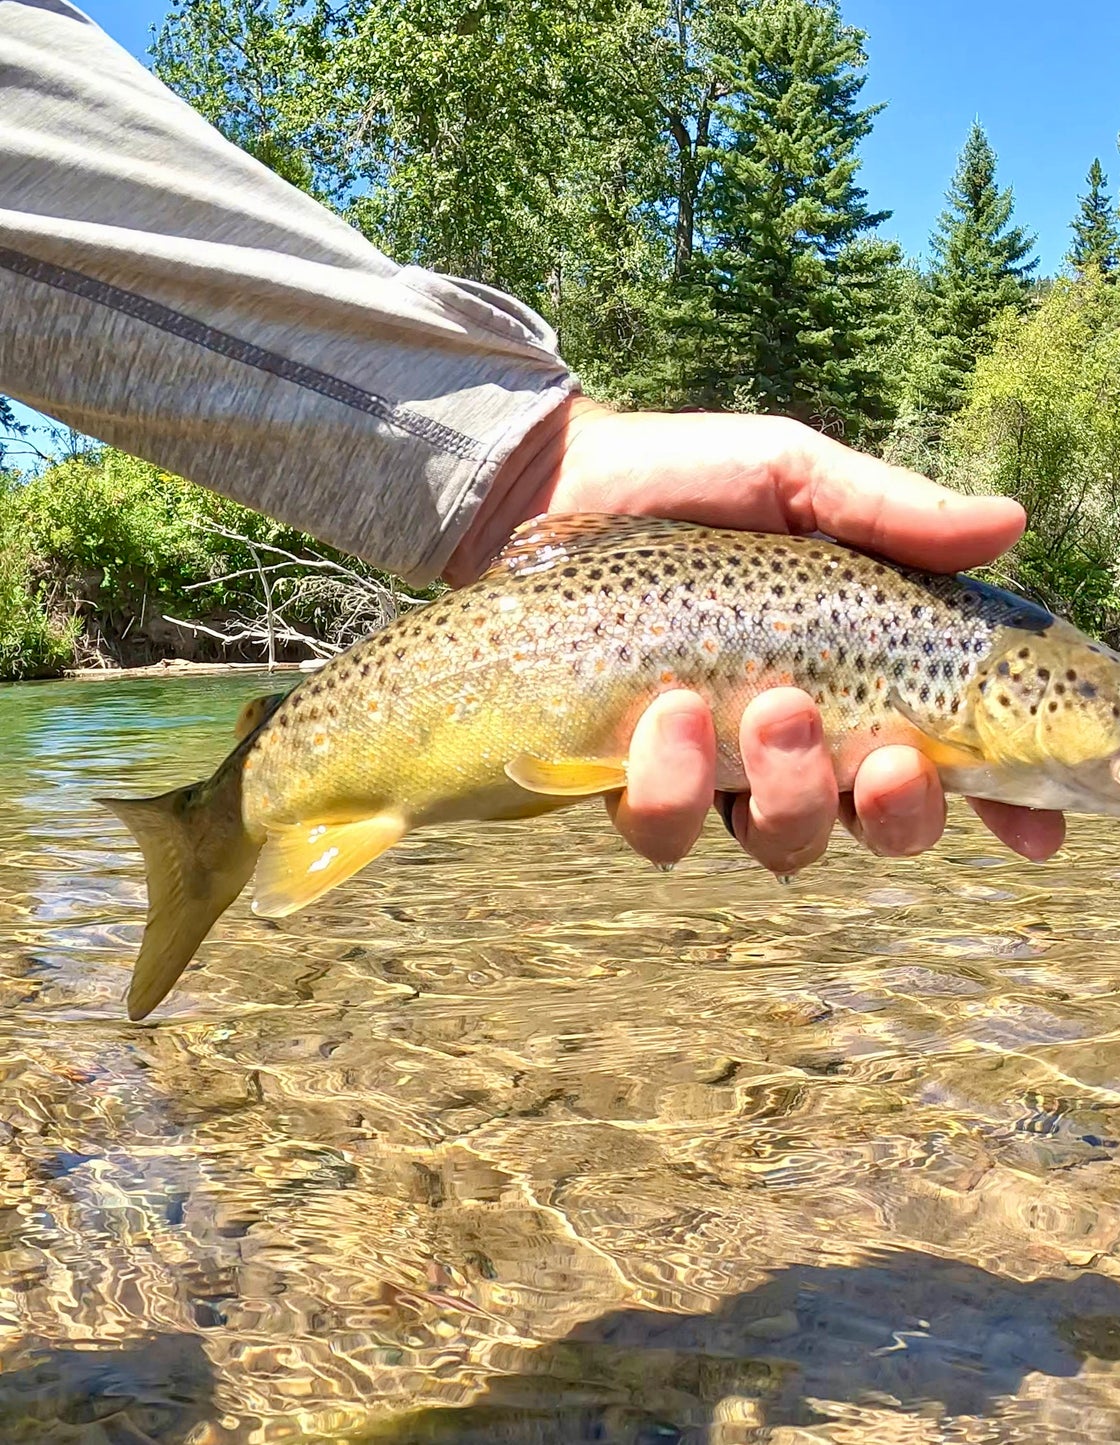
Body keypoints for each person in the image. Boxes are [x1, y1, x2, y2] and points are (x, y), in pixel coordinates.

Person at [0, 0, 1064, 878]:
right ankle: (216, 824)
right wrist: (512, 460)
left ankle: (234, 810)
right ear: (1022, 687)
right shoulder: (970, 661)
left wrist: (521, 465)